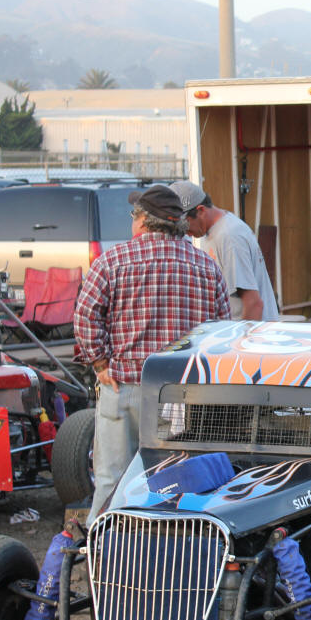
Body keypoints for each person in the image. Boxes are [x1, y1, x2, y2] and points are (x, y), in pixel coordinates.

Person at [74, 185, 231, 524]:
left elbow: (85, 314)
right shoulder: (206, 266)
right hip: (185, 395)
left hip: (125, 387)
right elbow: (221, 332)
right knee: (182, 483)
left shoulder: (112, 261)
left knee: (112, 480)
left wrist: (100, 363)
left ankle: (104, 548)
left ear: (143, 221)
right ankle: (179, 546)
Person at [170, 180, 279, 321]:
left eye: (186, 225)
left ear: (201, 210)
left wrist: (241, 335)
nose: (186, 232)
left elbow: (254, 304)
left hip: (251, 332)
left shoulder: (229, 237)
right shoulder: (214, 231)